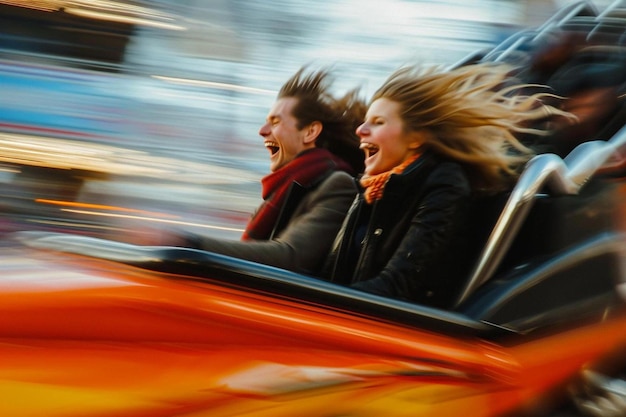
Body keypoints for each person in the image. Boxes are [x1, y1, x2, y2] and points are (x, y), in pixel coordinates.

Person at [322, 63, 574, 308]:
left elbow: (396, 286)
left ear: (416, 137)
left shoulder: (444, 185)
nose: (360, 129)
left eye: (378, 122)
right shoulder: (373, 187)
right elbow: (330, 272)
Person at [169, 66, 366, 276]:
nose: (262, 131)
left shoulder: (337, 185)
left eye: (275, 121)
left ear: (310, 132)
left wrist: (190, 243)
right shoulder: (285, 189)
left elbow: (290, 257)